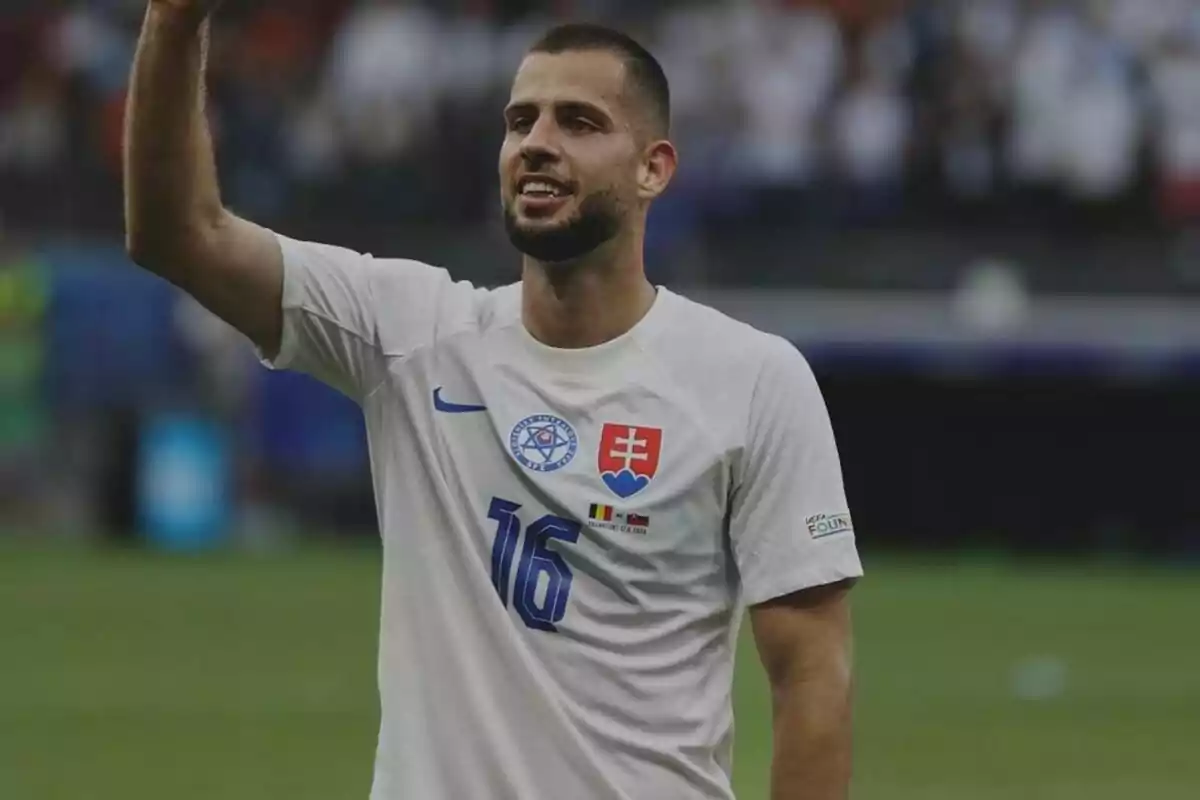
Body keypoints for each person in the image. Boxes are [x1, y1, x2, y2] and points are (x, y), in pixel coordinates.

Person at [123, 2, 864, 798]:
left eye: (579, 122)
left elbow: (811, 675)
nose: (538, 142)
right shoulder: (411, 334)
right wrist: (173, 22)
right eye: (521, 122)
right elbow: (179, 234)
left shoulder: (752, 378)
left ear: (654, 168)